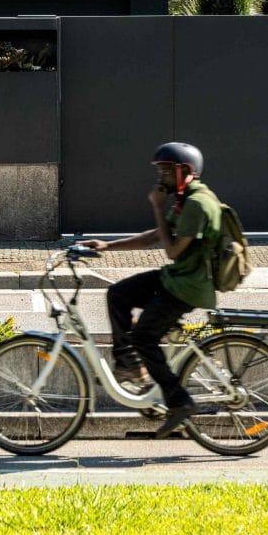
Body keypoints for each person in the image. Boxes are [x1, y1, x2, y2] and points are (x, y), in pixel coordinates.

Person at [81, 141, 222, 439]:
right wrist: (108, 246)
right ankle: (128, 365)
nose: (160, 177)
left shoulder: (197, 204)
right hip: (176, 278)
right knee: (118, 294)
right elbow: (155, 236)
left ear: (184, 171)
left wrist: (157, 207)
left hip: (187, 288)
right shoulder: (185, 200)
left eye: (165, 171)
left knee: (144, 338)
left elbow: (171, 250)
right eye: (159, 171)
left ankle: (180, 402)